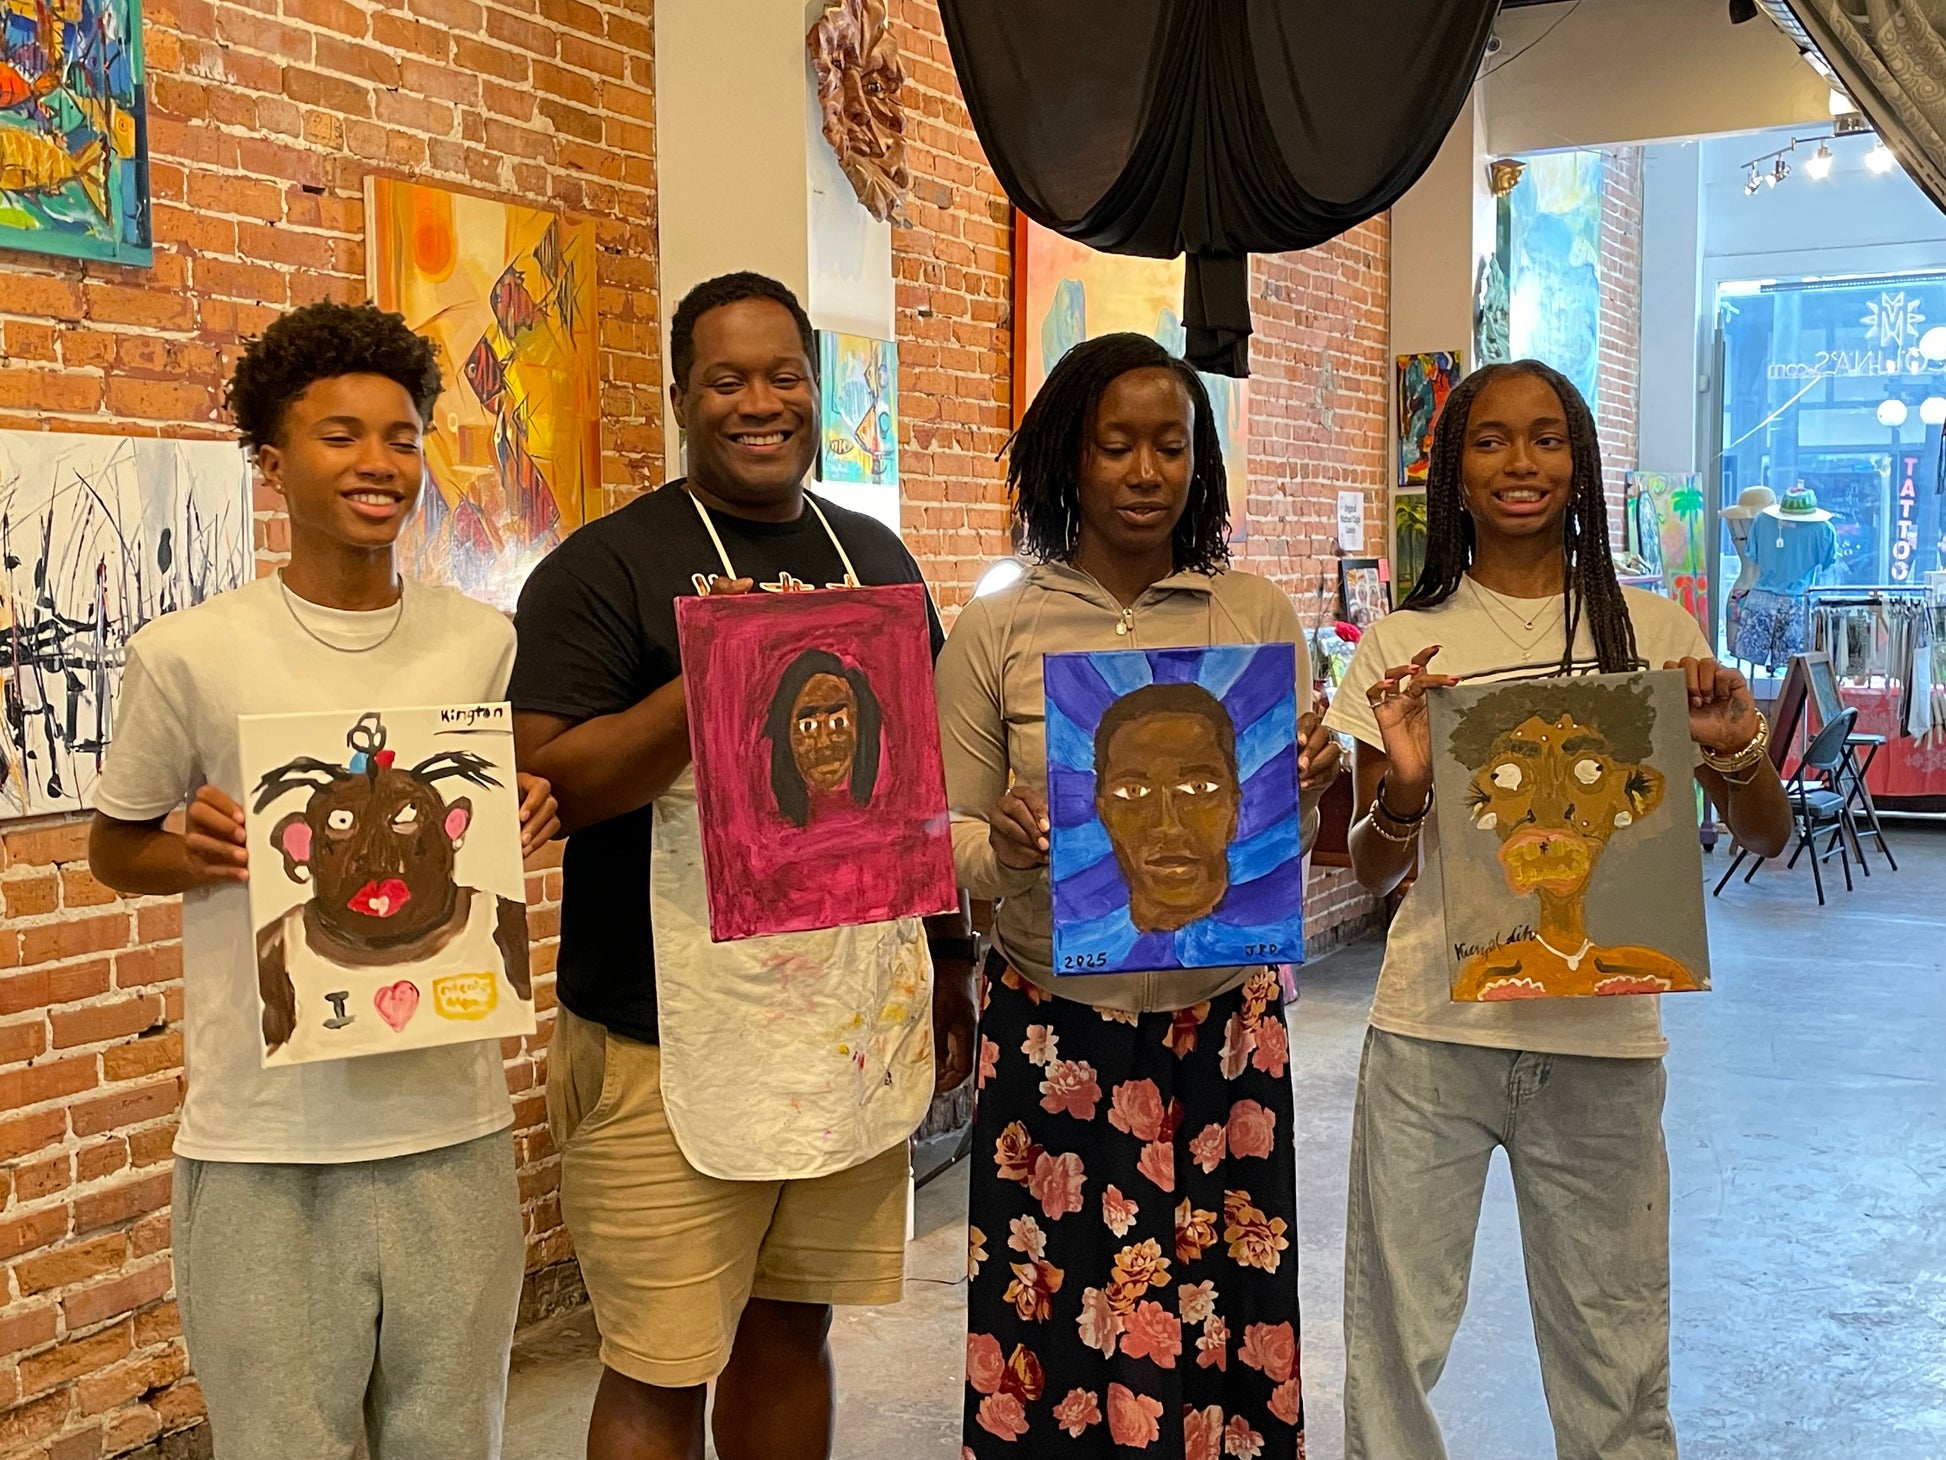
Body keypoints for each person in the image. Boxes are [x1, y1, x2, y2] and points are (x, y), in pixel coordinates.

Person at [509, 271, 976, 1460]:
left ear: (815, 390)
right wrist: (719, 669)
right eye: (725, 378)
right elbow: (547, 782)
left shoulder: (872, 553)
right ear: (680, 396)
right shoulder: (603, 567)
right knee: (661, 1363)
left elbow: (912, 793)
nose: (757, 402)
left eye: (783, 375)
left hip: (841, 1021)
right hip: (662, 1039)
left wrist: (950, 964)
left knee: (790, 1332)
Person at [87, 300, 561, 1460]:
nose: (378, 463)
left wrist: (533, 803)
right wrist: (187, 846)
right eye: (339, 434)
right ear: (272, 458)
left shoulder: (480, 643)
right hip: (264, 1134)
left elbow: (487, 827)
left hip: (450, 1114)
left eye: (400, 436)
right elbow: (115, 847)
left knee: (454, 1437)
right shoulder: (189, 651)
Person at [1323, 360, 1792, 1460]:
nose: (1519, 462)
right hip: (1431, 1035)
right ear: (1453, 469)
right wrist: (1400, 781)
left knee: (1615, 1352)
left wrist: (1736, 750)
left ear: (1577, 459)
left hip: (1605, 1041)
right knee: (1391, 1344)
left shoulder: (1653, 631)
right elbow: (1368, 866)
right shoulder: (1401, 645)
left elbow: (1765, 836)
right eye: (1489, 440)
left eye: (1544, 437)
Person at [935, 332, 1340, 1457]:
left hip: (1222, 1033)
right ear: (1069, 457)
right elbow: (945, 835)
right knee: (1049, 1324)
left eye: (1170, 444)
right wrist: (1007, 846)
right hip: (1053, 1031)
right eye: (1116, 444)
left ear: (1199, 463)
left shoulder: (1250, 612)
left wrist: (1306, 789)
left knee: (1223, 1315)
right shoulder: (999, 626)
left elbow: (1281, 844)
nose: (1145, 470)